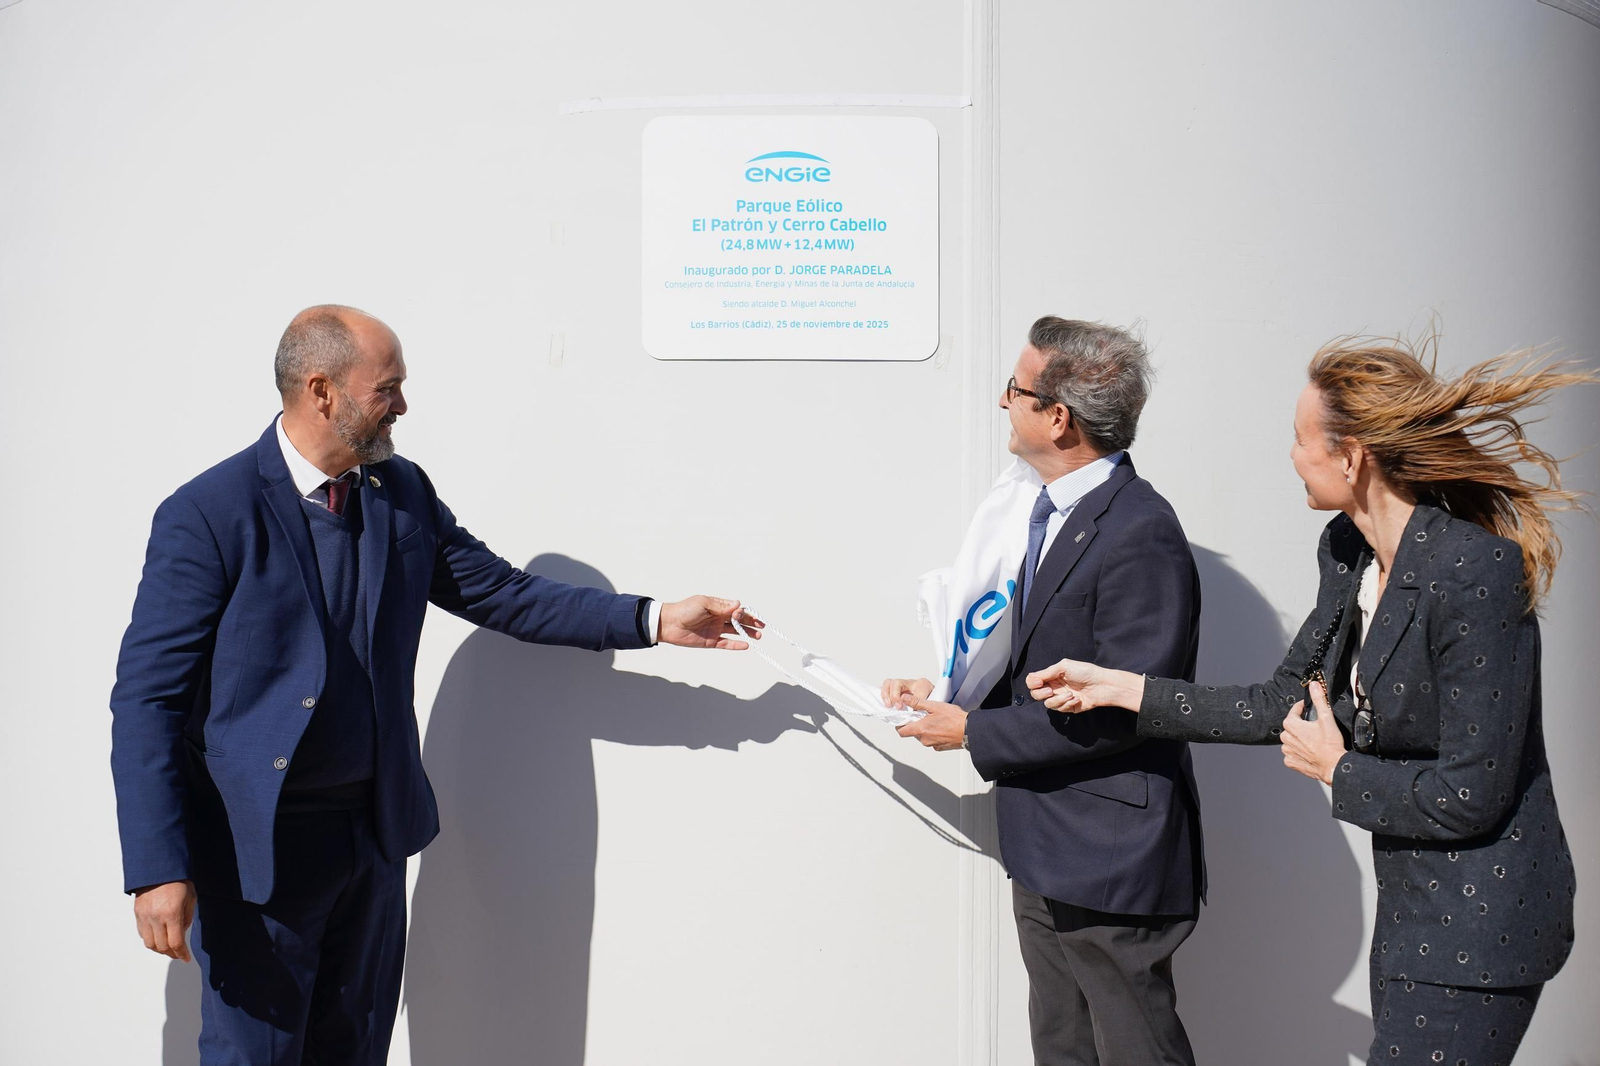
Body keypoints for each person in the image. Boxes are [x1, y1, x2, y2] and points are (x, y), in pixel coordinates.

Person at [110, 305, 763, 1065]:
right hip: (260, 856)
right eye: (388, 388)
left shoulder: (399, 493)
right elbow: (146, 699)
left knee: (354, 1052)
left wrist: (654, 619)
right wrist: (158, 867)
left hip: (374, 841)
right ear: (322, 391)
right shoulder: (208, 514)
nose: (404, 407)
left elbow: (505, 593)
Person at [1027, 335, 1589, 1065]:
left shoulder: (1473, 570)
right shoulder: (1349, 550)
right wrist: (1121, 689)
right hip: (1413, 908)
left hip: (1486, 919)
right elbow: (1280, 703)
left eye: (1300, 439)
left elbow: (1473, 793)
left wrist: (1339, 769)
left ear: (1351, 456)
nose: (1291, 455)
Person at [885, 317, 1205, 1066]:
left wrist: (971, 736)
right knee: (1062, 1052)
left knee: (1135, 1053)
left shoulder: (1140, 530)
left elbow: (1127, 708)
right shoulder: (1045, 513)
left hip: (1110, 863)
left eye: (1015, 390)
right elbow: (1027, 656)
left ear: (1057, 417)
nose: (1004, 403)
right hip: (1045, 845)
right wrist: (945, 693)